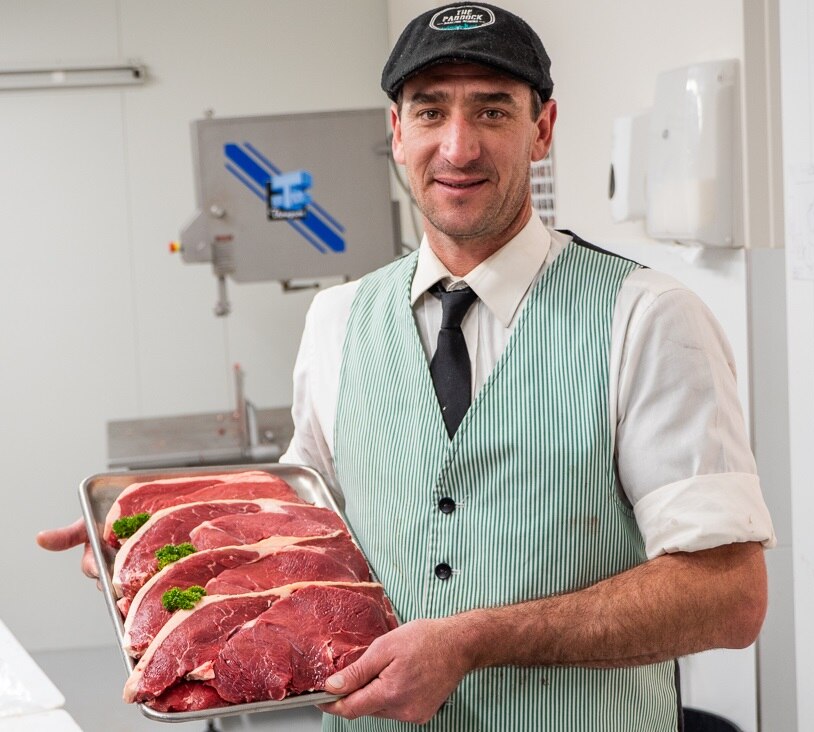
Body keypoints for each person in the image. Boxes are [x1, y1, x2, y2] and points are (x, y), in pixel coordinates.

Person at [39, 4, 775, 730]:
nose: (457, 149)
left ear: (541, 129)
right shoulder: (337, 319)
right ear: (395, 132)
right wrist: (149, 529)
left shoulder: (645, 318)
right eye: (429, 113)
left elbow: (728, 596)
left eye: (491, 112)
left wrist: (477, 639)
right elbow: (296, 533)